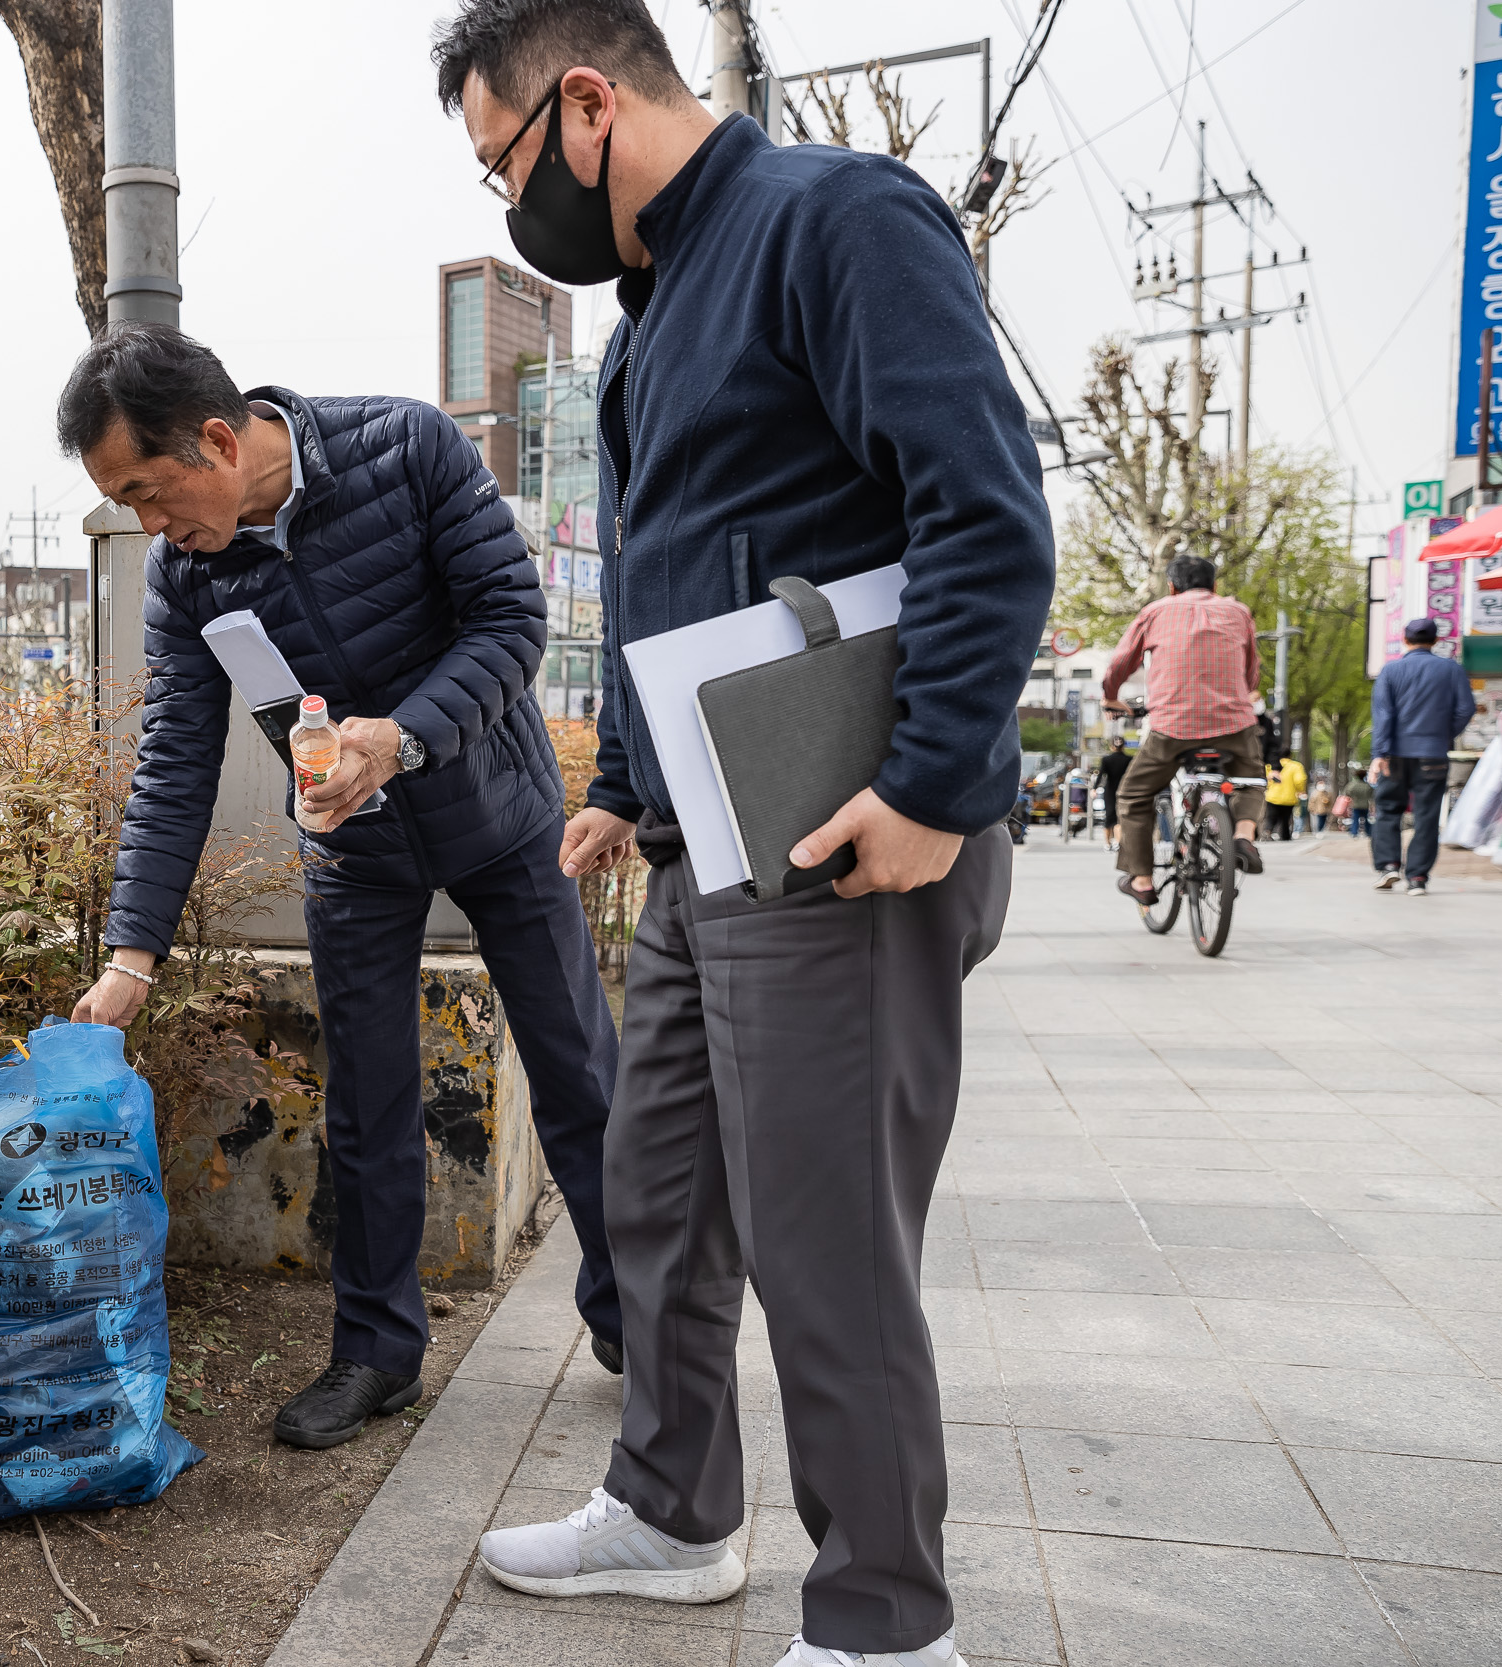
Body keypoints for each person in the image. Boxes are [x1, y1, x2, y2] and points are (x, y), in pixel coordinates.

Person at [437, 4, 1049, 1662]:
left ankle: (883, 1620)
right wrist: (628, 783)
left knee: (824, 1230)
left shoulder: (833, 220)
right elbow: (686, 567)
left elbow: (983, 506)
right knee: (661, 1190)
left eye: (499, 161)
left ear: (582, 105)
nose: (508, 205)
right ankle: (672, 1507)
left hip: (844, 821)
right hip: (711, 828)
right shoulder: (651, 322)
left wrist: (931, 785)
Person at [54, 324, 628, 1452]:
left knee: (577, 1075)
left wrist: (399, 737)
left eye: (149, 492)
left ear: (218, 440)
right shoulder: (190, 571)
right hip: (353, 851)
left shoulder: (406, 446)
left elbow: (513, 622)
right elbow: (176, 756)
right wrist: (131, 955)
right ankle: (374, 1352)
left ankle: (640, 1314)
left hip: (498, 816)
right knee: (367, 1106)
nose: (151, 527)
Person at [1101, 554, 1267, 907]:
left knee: (1133, 795)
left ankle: (1143, 879)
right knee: (1251, 778)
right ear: (1215, 585)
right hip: (1234, 723)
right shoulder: (1238, 612)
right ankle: (1243, 834)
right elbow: (1251, 673)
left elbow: (1120, 663)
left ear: (1172, 586)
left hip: (1173, 727)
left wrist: (1111, 697)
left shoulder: (1156, 611)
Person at [1368, 616, 1476, 896]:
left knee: (1388, 810)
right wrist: (1442, 735)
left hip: (1394, 754)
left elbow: (1383, 715)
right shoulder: (1451, 670)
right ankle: (1417, 877)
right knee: (1427, 816)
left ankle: (1389, 866)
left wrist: (1380, 753)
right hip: (1433, 753)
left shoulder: (1390, 671)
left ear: (1405, 640)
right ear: (1436, 641)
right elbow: (1465, 709)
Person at [1097, 735, 1132, 851]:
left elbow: (1101, 775)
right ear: (1123, 746)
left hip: (1110, 790)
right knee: (1119, 817)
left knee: (1108, 816)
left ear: (1111, 746)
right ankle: (1118, 842)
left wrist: (1094, 788)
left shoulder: (1106, 759)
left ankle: (1107, 843)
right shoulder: (1129, 759)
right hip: (1124, 790)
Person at [1264, 750, 1305, 840]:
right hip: (1289, 797)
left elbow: (1266, 779)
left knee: (1271, 817)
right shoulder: (1296, 766)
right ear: (1290, 755)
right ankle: (1285, 835)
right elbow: (1300, 780)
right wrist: (1300, 790)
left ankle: (1267, 832)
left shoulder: (1270, 766)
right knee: (1286, 818)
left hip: (1272, 796)